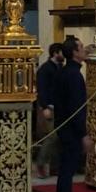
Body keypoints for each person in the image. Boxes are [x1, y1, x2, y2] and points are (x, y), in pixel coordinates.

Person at [53, 36, 94, 192]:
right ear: (75, 53)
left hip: (63, 126)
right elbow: (76, 108)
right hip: (70, 130)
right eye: (81, 48)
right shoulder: (74, 76)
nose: (84, 50)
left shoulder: (66, 72)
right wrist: (83, 134)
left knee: (66, 170)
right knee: (67, 172)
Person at [33, 42, 64, 179]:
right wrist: (44, 106)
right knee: (52, 136)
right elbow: (42, 89)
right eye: (62, 52)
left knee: (59, 137)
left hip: (59, 107)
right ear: (56, 53)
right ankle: (41, 163)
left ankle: (55, 167)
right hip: (49, 107)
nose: (64, 55)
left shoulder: (59, 67)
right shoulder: (46, 69)